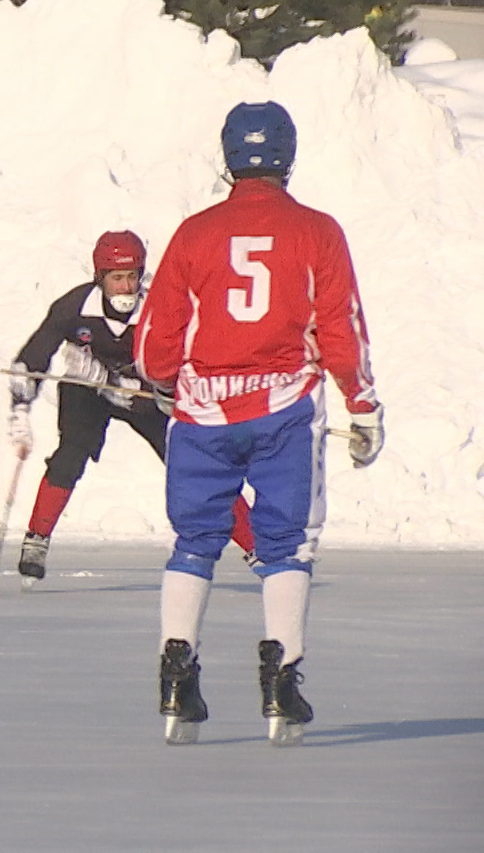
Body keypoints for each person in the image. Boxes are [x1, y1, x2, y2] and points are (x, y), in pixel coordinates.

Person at [133, 101, 382, 746]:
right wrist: (362, 403)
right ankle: (282, 681)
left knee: (194, 542)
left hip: (200, 415)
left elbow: (154, 348)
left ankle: (176, 672)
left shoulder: (192, 233)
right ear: (287, 156)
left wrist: (169, 378)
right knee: (286, 543)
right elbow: (340, 330)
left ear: (229, 157)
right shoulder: (318, 232)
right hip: (284, 412)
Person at [7, 231, 255, 584]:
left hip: (145, 393)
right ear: (100, 277)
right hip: (88, 386)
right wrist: (20, 410)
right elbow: (30, 361)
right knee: (71, 453)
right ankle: (37, 539)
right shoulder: (73, 307)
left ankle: (256, 546)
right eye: (117, 278)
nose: (125, 287)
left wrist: (165, 390)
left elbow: (193, 355)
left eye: (132, 277)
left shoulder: (161, 306)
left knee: (197, 464)